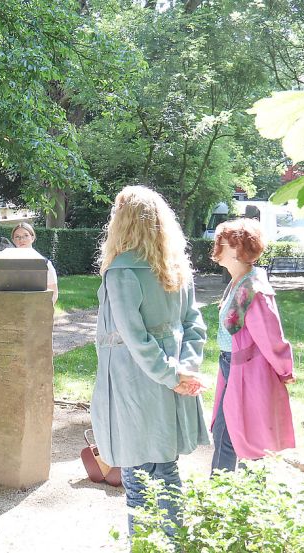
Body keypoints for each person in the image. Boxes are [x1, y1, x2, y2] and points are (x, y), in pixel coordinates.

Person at [90, 185, 208, 537]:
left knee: (138, 473)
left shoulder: (123, 271)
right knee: (166, 469)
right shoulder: (173, 268)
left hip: (135, 383)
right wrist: (183, 369)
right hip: (167, 377)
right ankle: (173, 542)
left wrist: (173, 376)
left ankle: (145, 545)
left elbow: (134, 338)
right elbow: (193, 325)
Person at [210, 218, 295, 473]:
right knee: (225, 433)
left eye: (221, 243)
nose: (216, 248)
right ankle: (221, 497)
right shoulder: (238, 282)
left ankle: (243, 499)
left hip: (250, 372)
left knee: (247, 436)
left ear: (237, 249)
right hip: (232, 367)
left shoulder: (254, 288)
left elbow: (271, 337)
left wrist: (285, 369)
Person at [11, 222, 59, 304]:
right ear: (13, 240)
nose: (21, 240)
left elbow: (53, 293)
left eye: (26, 235)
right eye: (17, 237)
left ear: (32, 238)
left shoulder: (45, 264)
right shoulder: (7, 264)